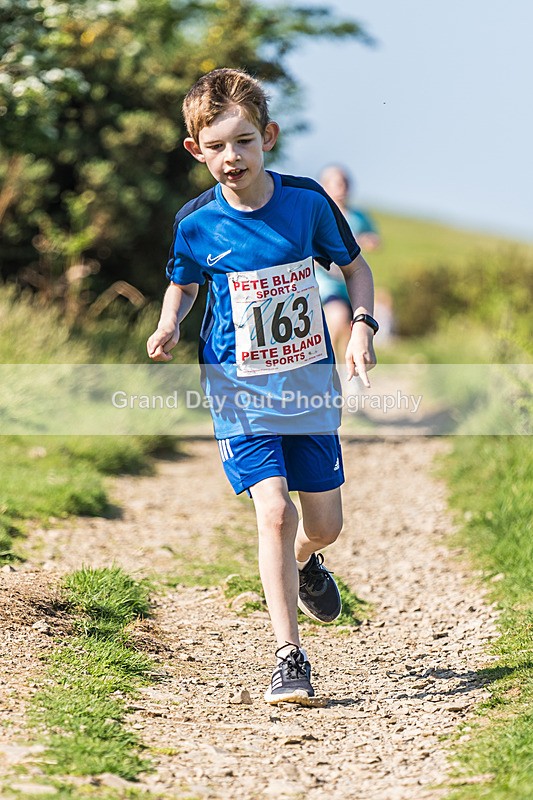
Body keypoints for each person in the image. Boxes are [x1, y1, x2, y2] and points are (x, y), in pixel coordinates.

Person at [147, 68, 378, 706]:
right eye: (217, 146)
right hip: (235, 385)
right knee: (273, 511)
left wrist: (360, 327)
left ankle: (307, 562)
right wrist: (170, 320)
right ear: (196, 149)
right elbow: (185, 281)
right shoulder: (195, 221)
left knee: (323, 524)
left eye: (244, 141)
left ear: (268, 136)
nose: (232, 157)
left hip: (306, 383)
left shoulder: (306, 203)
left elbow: (355, 269)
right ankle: (289, 656)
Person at [316, 165, 381, 361]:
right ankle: (330, 363)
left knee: (350, 327)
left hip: (350, 281)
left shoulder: (358, 216)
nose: (342, 188)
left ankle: (349, 367)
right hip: (327, 282)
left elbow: (374, 239)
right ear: (324, 186)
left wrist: (368, 241)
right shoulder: (319, 214)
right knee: (337, 316)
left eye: (345, 183)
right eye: (337, 183)